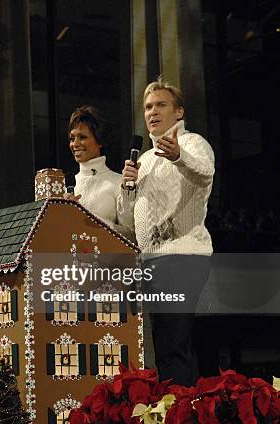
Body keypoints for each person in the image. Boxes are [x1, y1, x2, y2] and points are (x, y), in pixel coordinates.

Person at [118, 76, 214, 386]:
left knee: (172, 345)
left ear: (179, 113)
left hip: (183, 257)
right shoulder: (143, 159)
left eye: (161, 104)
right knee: (163, 347)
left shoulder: (193, 143)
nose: (152, 111)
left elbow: (204, 174)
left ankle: (177, 413)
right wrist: (128, 187)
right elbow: (129, 221)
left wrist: (178, 157)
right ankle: (180, 407)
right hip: (151, 262)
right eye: (148, 107)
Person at [63, 105, 133, 239]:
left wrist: (88, 220)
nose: (75, 144)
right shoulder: (63, 186)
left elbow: (131, 235)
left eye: (82, 137)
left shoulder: (118, 183)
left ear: (100, 141)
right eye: (72, 138)